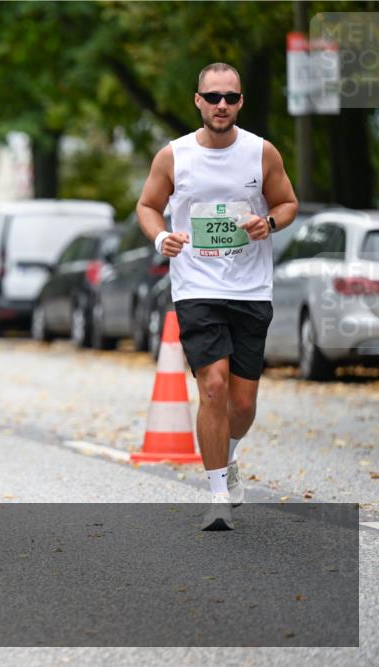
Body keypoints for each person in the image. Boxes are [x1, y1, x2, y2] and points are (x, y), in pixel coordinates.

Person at [136, 63, 298, 531]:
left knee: (242, 405)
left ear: (241, 102)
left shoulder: (261, 153)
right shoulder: (174, 156)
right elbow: (147, 205)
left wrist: (266, 223)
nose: (221, 105)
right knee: (213, 386)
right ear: (198, 101)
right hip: (196, 286)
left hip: (250, 289)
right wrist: (159, 237)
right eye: (213, 97)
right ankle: (218, 495)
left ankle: (227, 456)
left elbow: (288, 203)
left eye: (230, 97)